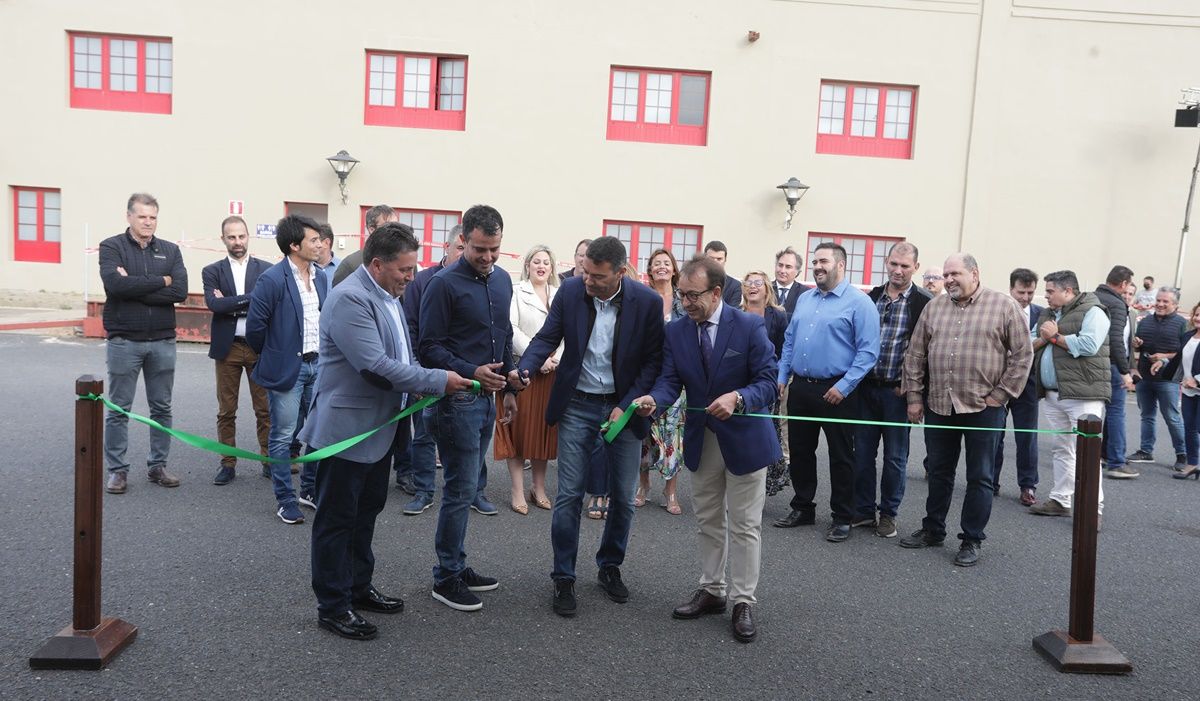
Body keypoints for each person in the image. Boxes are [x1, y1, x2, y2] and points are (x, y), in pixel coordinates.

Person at [300, 222, 473, 641]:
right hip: (347, 432)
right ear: (377, 264)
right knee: (337, 521)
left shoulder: (389, 294)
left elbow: (402, 353)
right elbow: (376, 366)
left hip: (381, 429)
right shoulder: (349, 300)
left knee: (366, 513)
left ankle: (358, 588)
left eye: (413, 269)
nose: (412, 278)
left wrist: (417, 387)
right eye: (405, 270)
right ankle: (333, 605)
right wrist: (437, 381)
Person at [512, 236, 664, 618]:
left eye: (597, 277)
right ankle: (563, 576)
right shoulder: (571, 294)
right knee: (568, 496)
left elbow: (652, 363)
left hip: (623, 407)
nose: (587, 281)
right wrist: (526, 367)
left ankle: (609, 566)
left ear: (620, 272)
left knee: (624, 498)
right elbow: (548, 336)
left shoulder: (645, 303)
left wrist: (627, 405)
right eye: (584, 273)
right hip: (577, 404)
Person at [633, 255, 780, 644]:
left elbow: (769, 381)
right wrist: (654, 400)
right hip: (702, 437)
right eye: (681, 295)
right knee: (708, 519)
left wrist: (738, 397)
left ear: (717, 293)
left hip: (746, 438)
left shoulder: (749, 326)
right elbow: (669, 381)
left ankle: (743, 600)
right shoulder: (677, 332)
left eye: (693, 295)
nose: (685, 302)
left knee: (746, 524)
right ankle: (712, 590)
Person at [900, 254, 1032, 567]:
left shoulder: (1002, 306)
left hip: (984, 408)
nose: (948, 280)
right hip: (939, 405)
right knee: (939, 473)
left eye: (955, 274)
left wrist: (1000, 395)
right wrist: (914, 398)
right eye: (946, 275)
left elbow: (1022, 355)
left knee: (981, 477)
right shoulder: (934, 307)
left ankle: (972, 538)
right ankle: (933, 529)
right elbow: (915, 355)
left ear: (974, 273)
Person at [419, 204, 518, 611]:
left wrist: (511, 387)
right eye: (480, 249)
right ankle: (446, 577)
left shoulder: (503, 280)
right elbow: (428, 348)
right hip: (455, 401)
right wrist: (470, 370)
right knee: (460, 490)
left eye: (494, 249)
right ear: (463, 240)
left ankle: (457, 565)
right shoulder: (443, 284)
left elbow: (505, 334)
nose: (488, 257)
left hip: (488, 400)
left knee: (469, 486)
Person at [773, 242, 880, 543]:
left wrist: (844, 386)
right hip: (802, 388)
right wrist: (783, 375)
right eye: (815, 262)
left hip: (838, 392)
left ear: (841, 265)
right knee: (801, 451)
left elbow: (868, 353)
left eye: (824, 262)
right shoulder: (806, 299)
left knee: (841, 456)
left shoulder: (860, 304)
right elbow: (790, 341)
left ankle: (842, 516)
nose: (818, 267)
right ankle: (803, 506)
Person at [99, 193, 188, 494]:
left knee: (161, 407)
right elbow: (115, 285)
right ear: (129, 217)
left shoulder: (170, 250)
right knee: (119, 408)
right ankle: (117, 470)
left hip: (162, 340)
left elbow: (180, 291)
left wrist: (133, 286)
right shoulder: (111, 247)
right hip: (125, 341)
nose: (148, 222)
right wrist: (160, 281)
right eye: (142, 216)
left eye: (152, 217)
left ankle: (158, 466)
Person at [246, 214, 328, 524]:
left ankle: (309, 490)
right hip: (287, 370)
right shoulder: (272, 279)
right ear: (294, 245)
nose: (320, 244)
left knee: (319, 431)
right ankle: (285, 499)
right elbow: (256, 329)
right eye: (313, 240)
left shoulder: (321, 277)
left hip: (318, 366)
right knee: (282, 437)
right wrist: (277, 355)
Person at [853, 242, 932, 538]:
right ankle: (862, 511)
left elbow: (928, 351)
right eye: (894, 264)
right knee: (861, 453)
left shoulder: (925, 302)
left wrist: (915, 392)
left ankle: (888, 514)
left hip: (898, 394)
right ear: (886, 263)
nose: (898, 271)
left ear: (916, 268)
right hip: (866, 389)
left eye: (905, 266)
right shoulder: (871, 297)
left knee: (895, 458)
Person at [1026, 271, 1110, 521]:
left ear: (1068, 291)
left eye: (1051, 291)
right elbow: (1029, 343)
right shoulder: (1048, 314)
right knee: (1061, 448)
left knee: (1088, 453)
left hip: (1084, 395)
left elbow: (1088, 345)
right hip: (1054, 394)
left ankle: (1093, 511)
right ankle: (1061, 500)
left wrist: (1053, 336)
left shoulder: (1094, 311)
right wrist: (1046, 337)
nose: (1046, 296)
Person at [397, 225, 465, 512]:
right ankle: (424, 490)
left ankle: (473, 492)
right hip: (427, 373)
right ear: (446, 248)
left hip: (464, 374)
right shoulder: (421, 281)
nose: (464, 254)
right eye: (460, 248)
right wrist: (415, 372)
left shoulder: (479, 282)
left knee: (467, 434)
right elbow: (409, 327)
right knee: (424, 434)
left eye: (468, 248)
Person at [202, 215, 271, 485]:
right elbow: (215, 306)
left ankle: (268, 460)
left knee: (264, 409)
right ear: (223, 239)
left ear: (248, 237)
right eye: (231, 237)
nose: (237, 241)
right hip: (227, 348)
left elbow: (266, 305)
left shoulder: (265, 269)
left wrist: (231, 302)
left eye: (241, 236)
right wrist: (249, 300)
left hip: (257, 347)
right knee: (226, 411)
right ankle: (228, 463)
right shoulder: (212, 271)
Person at [496, 244, 562, 515]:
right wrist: (537, 358)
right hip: (523, 369)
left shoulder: (560, 294)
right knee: (519, 431)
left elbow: (568, 330)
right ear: (527, 265)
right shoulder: (516, 291)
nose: (541, 266)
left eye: (546, 261)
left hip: (553, 373)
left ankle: (539, 487)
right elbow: (510, 329)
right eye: (536, 261)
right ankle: (517, 490)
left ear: (552, 267)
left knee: (543, 433)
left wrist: (556, 357)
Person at [637, 248, 687, 515]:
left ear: (674, 268)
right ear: (650, 269)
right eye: (657, 263)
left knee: (672, 435)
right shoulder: (643, 298)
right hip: (647, 373)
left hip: (675, 375)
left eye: (666, 263)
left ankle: (670, 491)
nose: (662, 267)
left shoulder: (683, 298)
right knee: (644, 433)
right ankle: (643, 486)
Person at [993, 268, 1042, 505]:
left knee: (1027, 436)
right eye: (1021, 292)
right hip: (999, 380)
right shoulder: (998, 310)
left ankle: (1028, 485)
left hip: (1029, 383)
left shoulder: (1042, 315)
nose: (1025, 297)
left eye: (1030, 292)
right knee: (994, 434)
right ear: (1011, 289)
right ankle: (990, 481)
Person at [740, 269, 789, 497]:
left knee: (765, 435)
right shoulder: (735, 312)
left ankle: (760, 487)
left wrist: (780, 379)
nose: (752, 286)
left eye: (758, 282)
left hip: (767, 383)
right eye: (748, 282)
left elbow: (782, 350)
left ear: (767, 287)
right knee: (742, 435)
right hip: (739, 384)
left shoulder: (777, 315)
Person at [1128, 287, 1188, 470]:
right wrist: (1137, 345)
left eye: (1165, 302)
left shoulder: (1181, 324)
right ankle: (1146, 451)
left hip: (1167, 379)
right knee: (1147, 415)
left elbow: (1184, 351)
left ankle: (1182, 454)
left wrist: (1164, 356)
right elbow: (1140, 347)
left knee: (1172, 417)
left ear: (1175, 305)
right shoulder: (1145, 321)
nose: (1160, 304)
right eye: (1159, 300)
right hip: (1145, 376)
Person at [1095, 265, 1139, 479]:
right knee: (1116, 412)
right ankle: (1117, 462)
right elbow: (1116, 341)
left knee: (1091, 413)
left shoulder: (1092, 297)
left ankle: (1101, 455)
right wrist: (1125, 371)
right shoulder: (1118, 304)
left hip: (1089, 364)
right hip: (1110, 365)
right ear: (1123, 284)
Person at [1158, 301, 1200, 480]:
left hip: (1196, 385)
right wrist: (1163, 362)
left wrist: (1197, 380)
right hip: (1189, 391)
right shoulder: (1188, 336)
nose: (1197, 318)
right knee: (1190, 428)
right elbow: (1179, 358)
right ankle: (1192, 464)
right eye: (1196, 314)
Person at [333, 205, 400, 287]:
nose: (394, 231)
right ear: (372, 229)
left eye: (397, 226)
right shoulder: (351, 265)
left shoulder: (405, 262)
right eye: (388, 226)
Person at [703, 240, 743, 306]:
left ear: (725, 259)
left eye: (719, 259)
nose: (715, 262)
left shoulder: (735, 286)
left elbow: (732, 313)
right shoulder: (695, 282)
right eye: (711, 259)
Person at [772, 246, 806, 317]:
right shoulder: (765, 289)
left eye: (788, 267)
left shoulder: (805, 294)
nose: (782, 270)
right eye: (780, 265)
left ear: (797, 272)